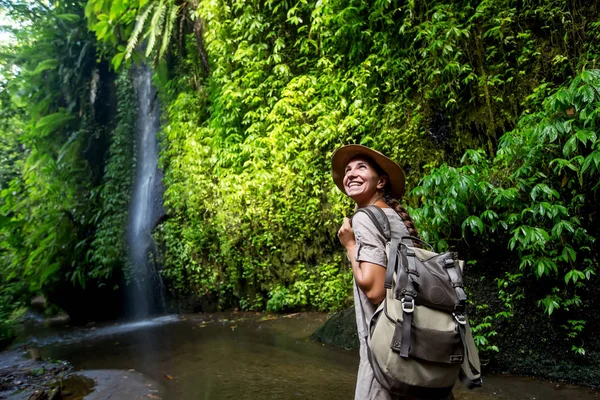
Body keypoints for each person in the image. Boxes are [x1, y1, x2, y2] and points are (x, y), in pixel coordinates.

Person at [331, 144, 420, 400]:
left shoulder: (364, 218)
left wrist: (350, 245)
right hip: (411, 338)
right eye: (347, 170)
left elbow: (375, 289)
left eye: (361, 167)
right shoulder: (393, 215)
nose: (351, 174)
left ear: (381, 181)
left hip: (384, 347)